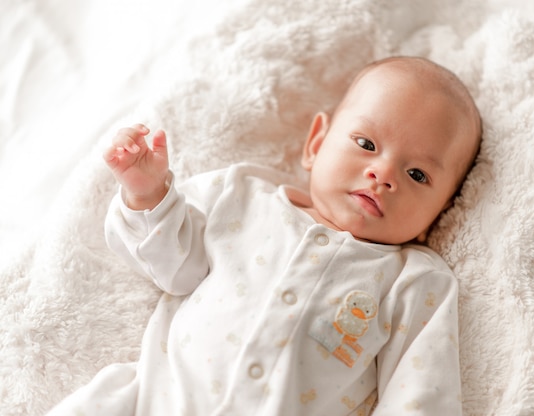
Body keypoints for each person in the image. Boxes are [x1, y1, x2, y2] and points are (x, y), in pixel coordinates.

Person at [47, 56, 481, 415]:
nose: (383, 174)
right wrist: (147, 193)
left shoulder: (414, 281)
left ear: (439, 213)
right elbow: (172, 268)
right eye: (366, 144)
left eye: (417, 174)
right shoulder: (243, 197)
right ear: (316, 143)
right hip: (153, 402)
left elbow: (421, 394)